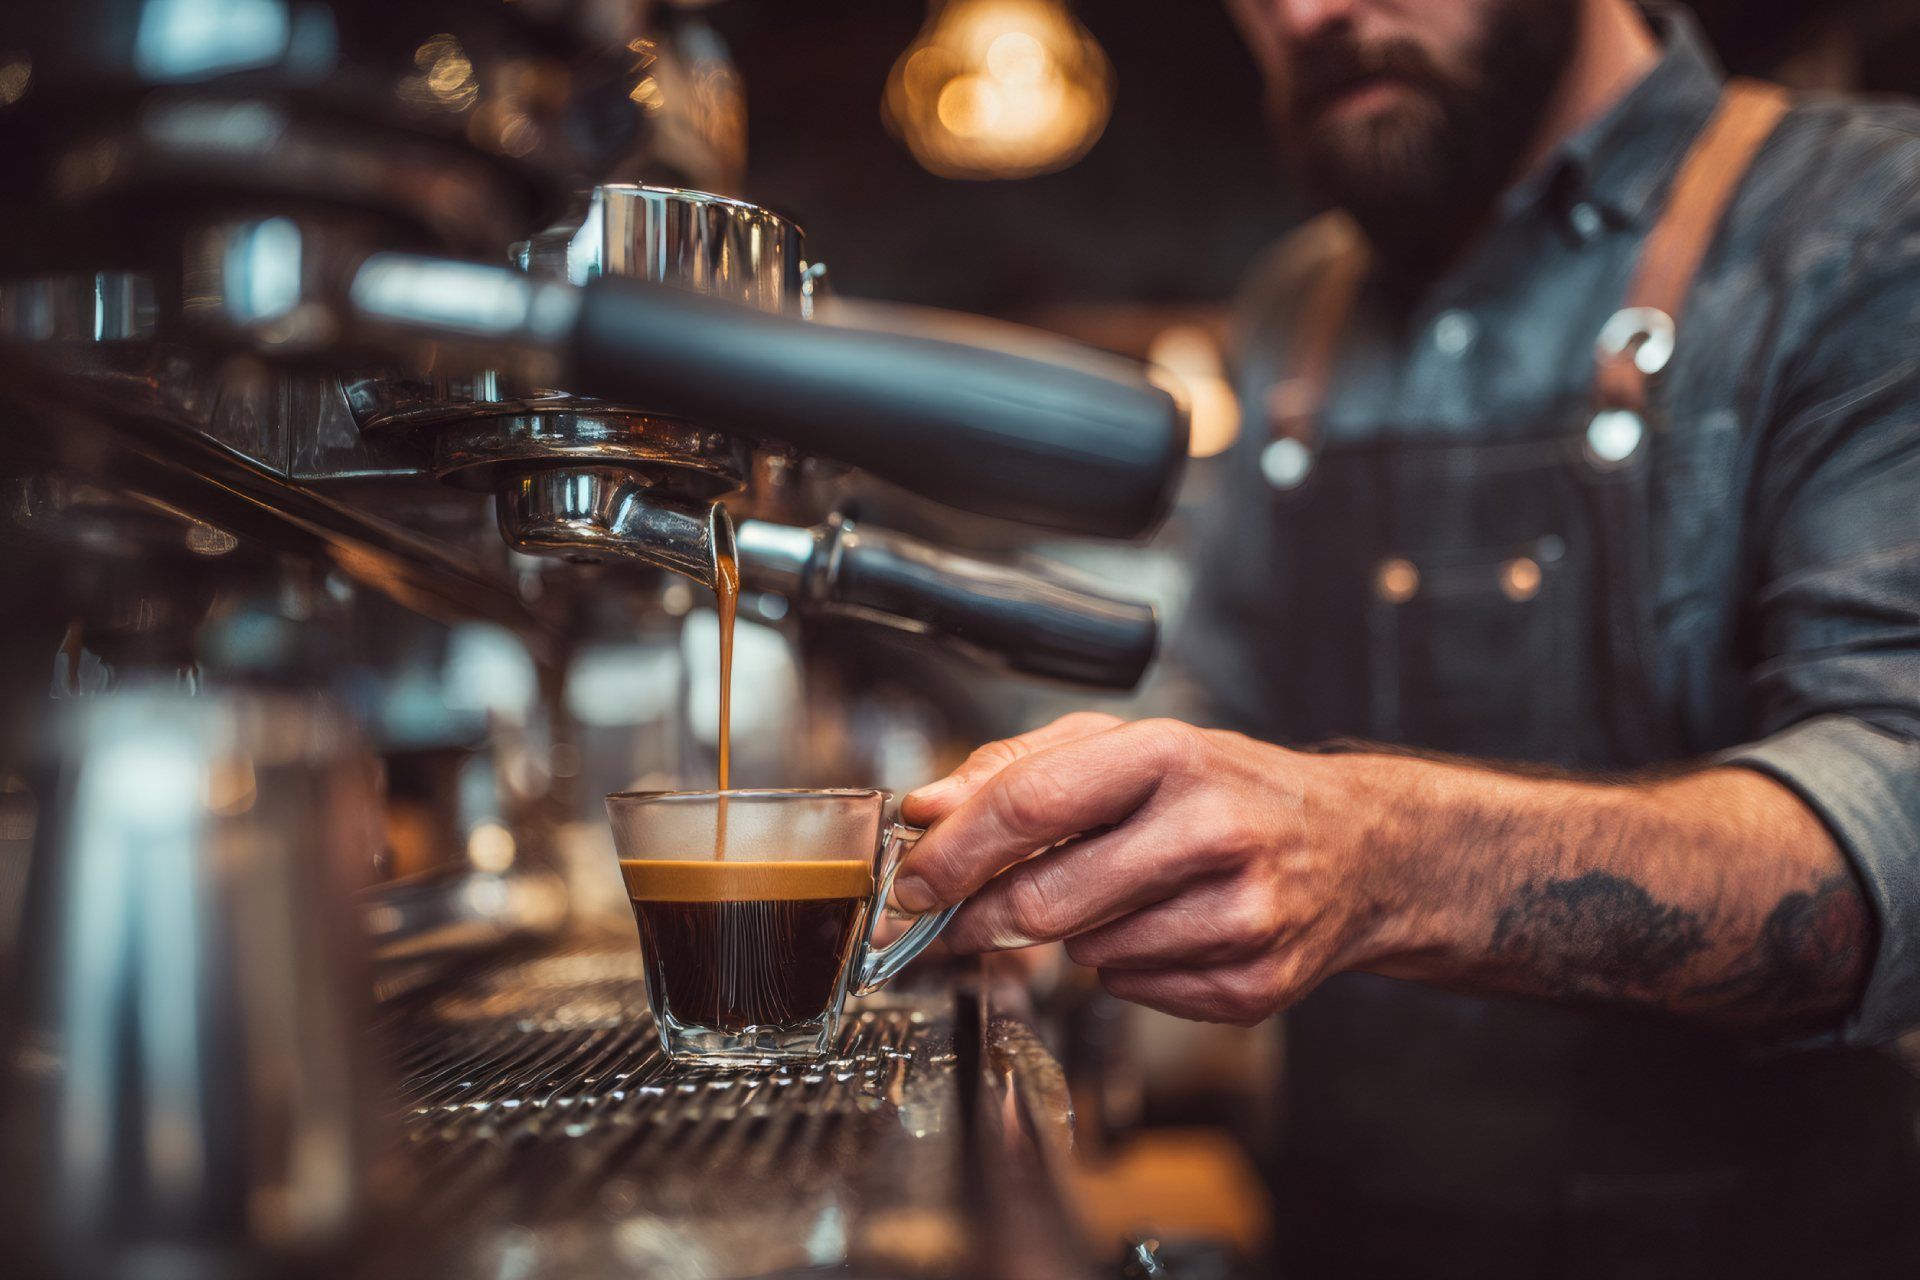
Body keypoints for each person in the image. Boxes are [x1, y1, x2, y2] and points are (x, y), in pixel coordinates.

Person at [891, 1, 1920, 1275]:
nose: (1306, 15)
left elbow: (1897, 817)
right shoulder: (1298, 308)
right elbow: (1226, 693)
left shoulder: (1870, 221)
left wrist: (1380, 852)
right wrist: (1060, 808)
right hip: (1343, 1220)